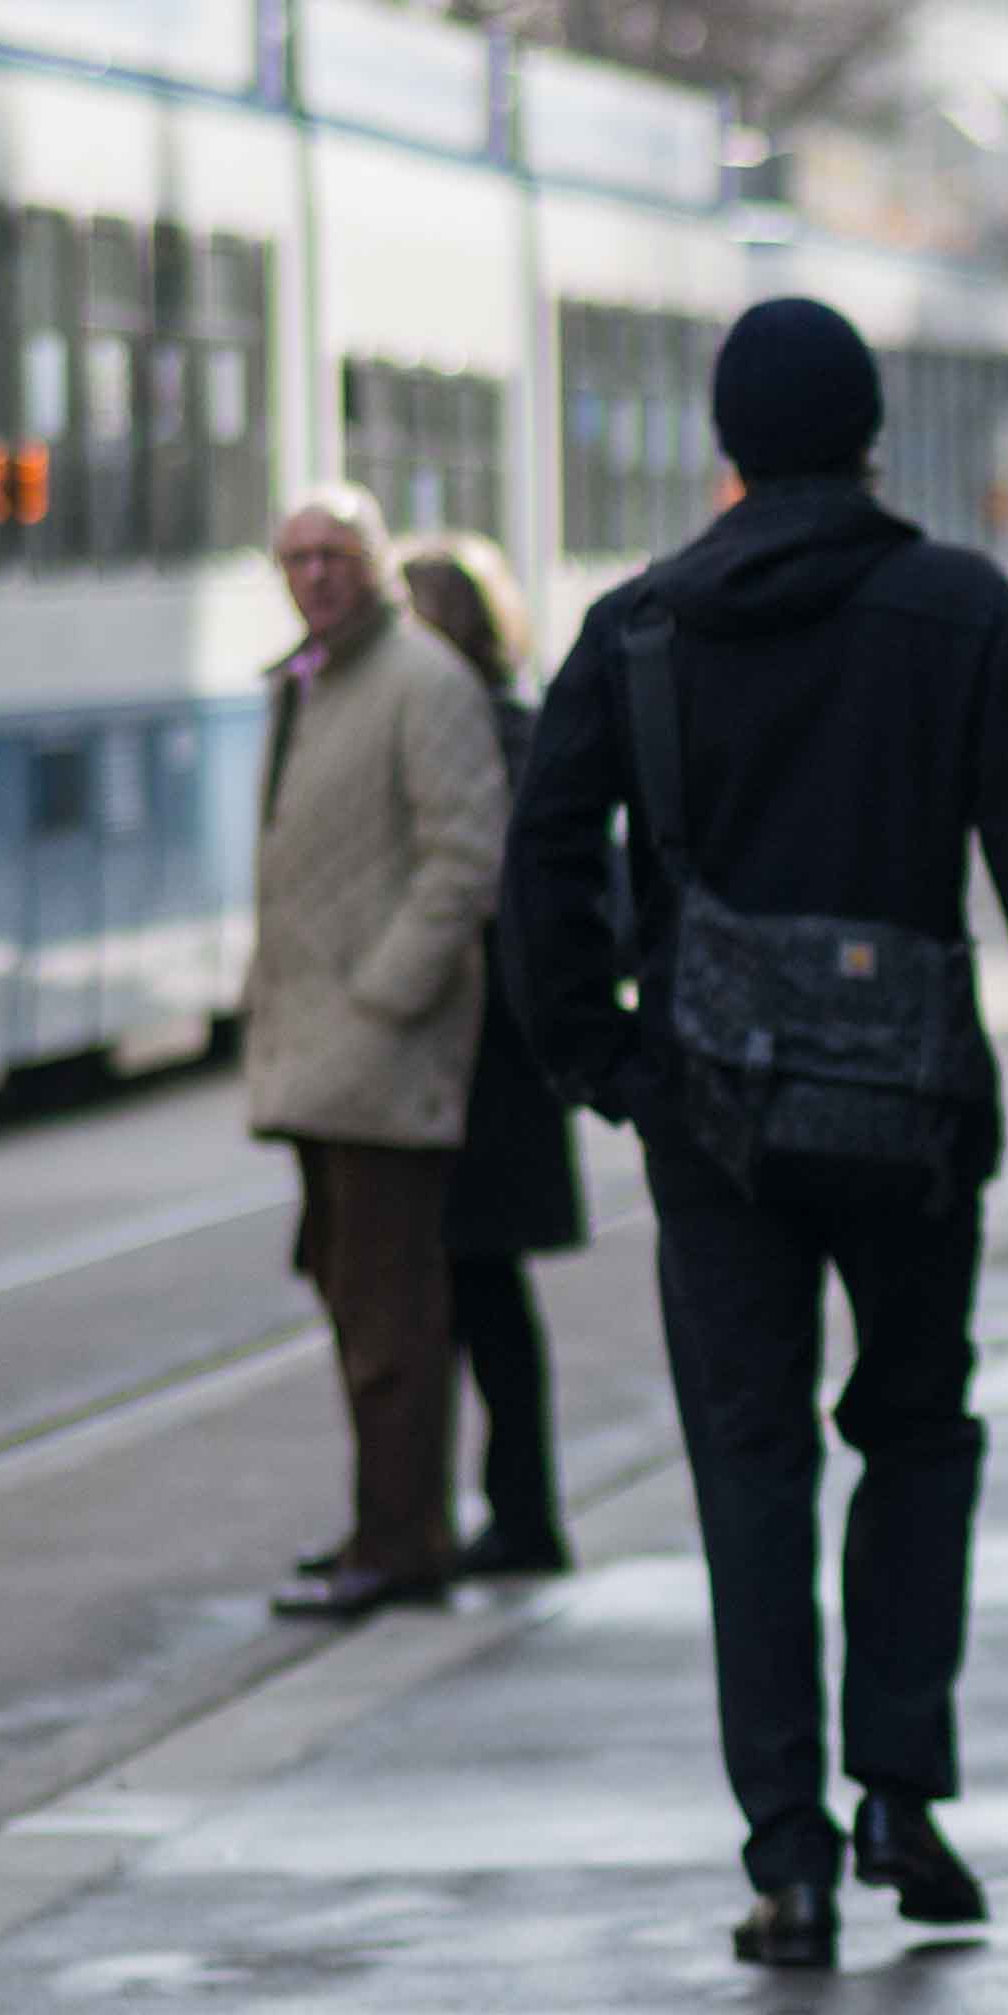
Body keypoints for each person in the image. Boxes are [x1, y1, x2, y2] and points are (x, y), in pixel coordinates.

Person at [497, 295, 1008, 1970]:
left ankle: (786, 1855)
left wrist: (604, 1063)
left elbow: (537, 864)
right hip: (917, 1110)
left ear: (728, 446)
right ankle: (904, 1793)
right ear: (869, 439)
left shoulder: (639, 630)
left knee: (752, 1462)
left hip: (713, 1119)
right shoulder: (961, 609)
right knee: (918, 1430)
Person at [243, 490, 515, 1621]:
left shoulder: (421, 682)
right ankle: (384, 1524)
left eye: (335, 556)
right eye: (297, 557)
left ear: (374, 566)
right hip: (316, 1053)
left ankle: (403, 1542)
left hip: (381, 1056)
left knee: (392, 1317)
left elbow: (466, 855)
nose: (315, 576)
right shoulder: (307, 682)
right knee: (355, 1302)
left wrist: (384, 993)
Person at [399, 531, 589, 1581]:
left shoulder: (489, 739)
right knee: (473, 1293)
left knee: (471, 1293)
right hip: (493, 1052)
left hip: (483, 1053)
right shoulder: (511, 729)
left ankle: (510, 1517)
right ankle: (505, 1513)